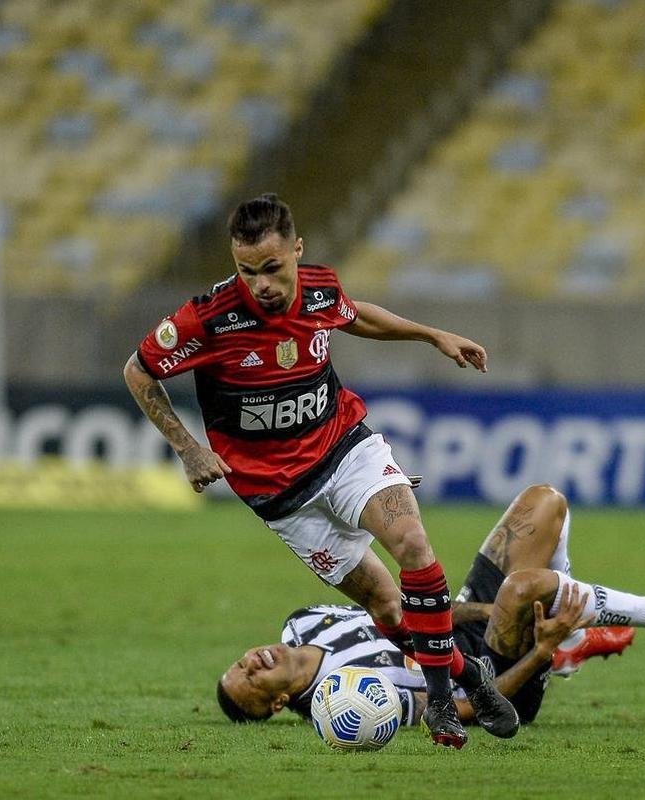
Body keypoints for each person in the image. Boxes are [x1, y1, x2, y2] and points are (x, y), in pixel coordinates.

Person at [124, 193, 514, 748]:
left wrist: (431, 335)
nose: (261, 283)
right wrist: (187, 447)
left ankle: (442, 708)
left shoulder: (320, 287)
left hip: (342, 448)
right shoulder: (207, 319)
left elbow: (357, 316)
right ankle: (467, 673)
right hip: (281, 497)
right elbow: (138, 372)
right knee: (384, 603)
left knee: (412, 544)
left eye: (273, 268)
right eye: (247, 271)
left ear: (297, 252)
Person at [216, 484, 645, 727]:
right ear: (279, 704)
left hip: (462, 625)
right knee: (523, 589)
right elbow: (466, 711)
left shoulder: (303, 623)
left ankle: (574, 640)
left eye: (239, 663)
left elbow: (408, 613)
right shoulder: (347, 704)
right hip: (489, 677)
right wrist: (538, 656)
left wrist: (485, 613)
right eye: (252, 681)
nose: (251, 662)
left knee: (544, 501)